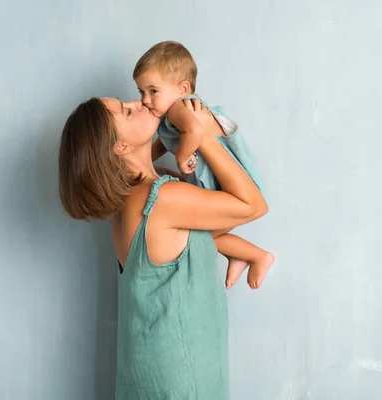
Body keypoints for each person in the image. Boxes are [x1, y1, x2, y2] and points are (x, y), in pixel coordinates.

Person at [58, 95, 267, 398]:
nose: (138, 102)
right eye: (128, 113)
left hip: (157, 371)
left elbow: (213, 226)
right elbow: (253, 205)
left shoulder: (135, 199)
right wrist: (200, 133)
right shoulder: (161, 199)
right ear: (121, 147)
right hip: (178, 377)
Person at [133, 40, 274, 289]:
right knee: (201, 238)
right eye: (141, 92)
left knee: (198, 239)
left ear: (182, 88)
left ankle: (256, 256)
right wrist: (146, 157)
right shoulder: (173, 116)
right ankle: (243, 255)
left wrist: (181, 157)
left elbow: (195, 129)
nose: (145, 100)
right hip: (221, 187)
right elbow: (167, 142)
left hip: (229, 187)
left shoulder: (179, 107)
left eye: (153, 91)